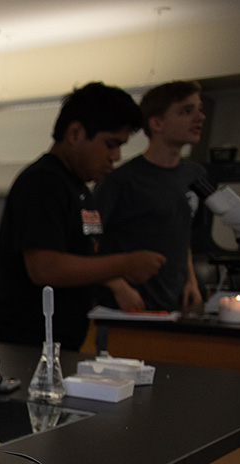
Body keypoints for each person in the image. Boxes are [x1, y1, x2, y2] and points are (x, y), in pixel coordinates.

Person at [0, 82, 166, 350]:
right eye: (110, 144)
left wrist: (115, 283)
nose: (115, 156)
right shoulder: (43, 182)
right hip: (24, 341)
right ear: (75, 133)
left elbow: (78, 256)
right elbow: (45, 268)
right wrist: (125, 264)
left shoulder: (78, 187)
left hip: (59, 340)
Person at [94, 81, 208, 312]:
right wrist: (118, 287)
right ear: (156, 123)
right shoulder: (121, 180)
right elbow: (88, 244)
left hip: (174, 304)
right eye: (187, 111)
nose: (200, 117)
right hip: (127, 305)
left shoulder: (195, 175)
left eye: (199, 109)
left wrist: (191, 280)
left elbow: (181, 232)